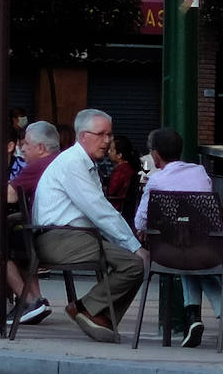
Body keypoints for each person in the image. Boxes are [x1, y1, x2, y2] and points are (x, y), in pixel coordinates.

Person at [32, 108, 147, 343]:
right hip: (60, 238)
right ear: (83, 136)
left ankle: (98, 315)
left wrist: (128, 244)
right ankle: (87, 309)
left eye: (109, 135)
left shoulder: (83, 163)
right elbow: (100, 211)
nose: (107, 141)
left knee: (134, 264)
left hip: (74, 237)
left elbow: (100, 213)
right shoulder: (73, 164)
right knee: (135, 264)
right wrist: (135, 246)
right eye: (101, 134)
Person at [135, 127, 223, 350]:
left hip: (174, 252)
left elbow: (140, 223)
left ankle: (193, 317)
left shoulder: (155, 181)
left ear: (156, 155)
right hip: (216, 244)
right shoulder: (199, 172)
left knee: (186, 255)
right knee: (194, 258)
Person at [3, 120, 63, 325]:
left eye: (26, 144)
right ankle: (37, 300)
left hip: (47, 235)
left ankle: (27, 301)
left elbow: (8, 196)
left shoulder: (38, 165)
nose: (22, 148)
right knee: (17, 236)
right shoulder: (62, 161)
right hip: (65, 230)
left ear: (40, 148)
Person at [105, 134, 140, 218]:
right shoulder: (129, 168)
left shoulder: (121, 171)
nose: (108, 151)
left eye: (112, 150)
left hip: (115, 208)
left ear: (119, 155)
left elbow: (111, 191)